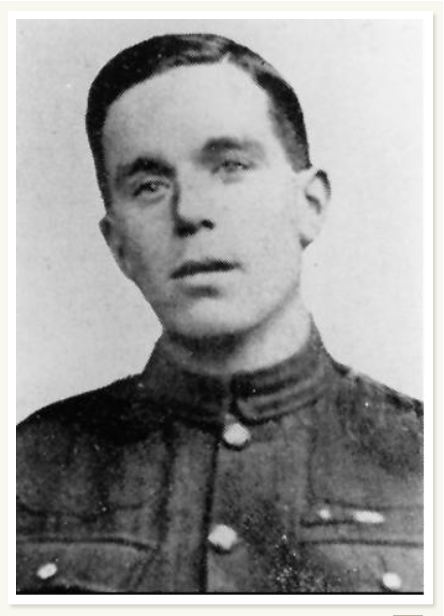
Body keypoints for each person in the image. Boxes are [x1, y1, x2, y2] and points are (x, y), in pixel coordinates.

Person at [16, 33, 423, 594]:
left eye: (230, 165)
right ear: (119, 245)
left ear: (309, 205)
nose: (190, 211)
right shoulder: (26, 465)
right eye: (149, 185)